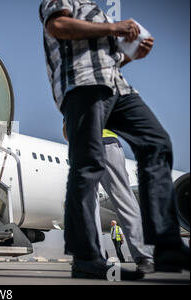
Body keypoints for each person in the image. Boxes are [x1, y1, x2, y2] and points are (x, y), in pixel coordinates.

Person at [40, 0, 189, 279]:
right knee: (88, 174)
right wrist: (113, 27)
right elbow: (57, 25)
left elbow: (110, 60)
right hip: (83, 83)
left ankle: (164, 246)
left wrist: (133, 54)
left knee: (157, 142)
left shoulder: (96, 12)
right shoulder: (66, 3)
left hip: (117, 87)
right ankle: (88, 258)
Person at [63, 123, 155, 273]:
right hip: (91, 148)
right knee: (96, 204)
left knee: (116, 200)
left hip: (100, 145)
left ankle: (142, 256)